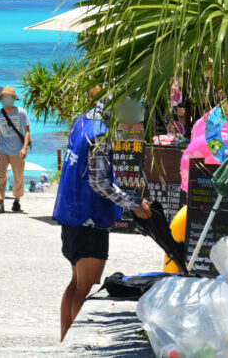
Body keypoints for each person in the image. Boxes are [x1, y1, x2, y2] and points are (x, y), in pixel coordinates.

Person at [53, 90, 152, 341]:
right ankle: (73, 348)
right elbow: (100, 183)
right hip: (89, 217)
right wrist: (133, 204)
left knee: (76, 283)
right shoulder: (99, 134)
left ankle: (64, 340)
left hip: (72, 213)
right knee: (84, 290)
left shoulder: (83, 121)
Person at [0, 86, 31, 214]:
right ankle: (0, 202)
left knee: (18, 177)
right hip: (2, 150)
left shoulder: (21, 112)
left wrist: (24, 148)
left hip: (18, 151)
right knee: (0, 176)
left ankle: (17, 200)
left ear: (13, 99)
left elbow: (27, 132)